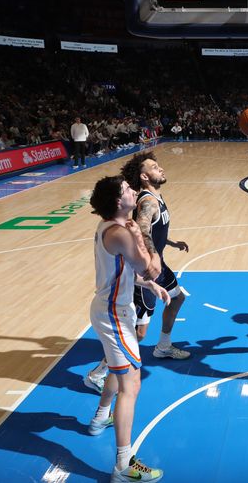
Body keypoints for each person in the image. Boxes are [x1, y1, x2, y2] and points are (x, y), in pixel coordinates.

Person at [84, 153, 191, 393]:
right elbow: (142, 231)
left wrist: (170, 243)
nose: (160, 168)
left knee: (177, 298)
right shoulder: (147, 201)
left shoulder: (155, 197)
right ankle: (98, 374)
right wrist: (153, 260)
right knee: (139, 334)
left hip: (158, 263)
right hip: (148, 269)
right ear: (144, 176)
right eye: (154, 167)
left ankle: (163, 346)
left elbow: (154, 227)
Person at [87, 175, 166, 482]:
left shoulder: (110, 226)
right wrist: (142, 233)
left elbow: (123, 272)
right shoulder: (120, 232)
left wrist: (146, 285)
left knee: (120, 373)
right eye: (127, 189)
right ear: (119, 202)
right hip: (113, 314)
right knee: (130, 385)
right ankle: (122, 465)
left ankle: (99, 418)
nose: (133, 191)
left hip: (113, 308)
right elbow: (151, 266)